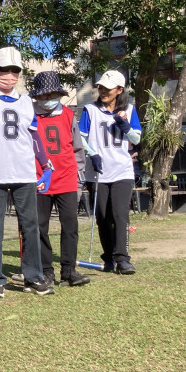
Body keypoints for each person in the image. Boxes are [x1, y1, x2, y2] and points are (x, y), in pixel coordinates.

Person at [0, 47, 55, 297]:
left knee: (30, 226)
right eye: (4, 70)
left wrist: (45, 164)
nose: (9, 75)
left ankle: (33, 276)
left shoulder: (26, 101)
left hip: (24, 173)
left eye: (15, 71)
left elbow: (34, 136)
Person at [30, 71, 90, 287]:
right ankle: (47, 270)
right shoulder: (29, 115)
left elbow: (77, 148)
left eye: (53, 94)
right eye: (44, 96)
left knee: (70, 225)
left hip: (66, 178)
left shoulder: (67, 115)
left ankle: (69, 270)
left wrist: (78, 176)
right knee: (40, 227)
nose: (49, 99)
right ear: (37, 97)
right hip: (40, 180)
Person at [79, 70, 142, 273]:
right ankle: (108, 257)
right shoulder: (90, 110)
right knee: (103, 216)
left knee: (120, 214)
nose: (103, 91)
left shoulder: (130, 110)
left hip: (122, 170)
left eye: (108, 88)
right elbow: (80, 138)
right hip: (96, 171)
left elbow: (136, 140)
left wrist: (126, 127)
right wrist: (92, 154)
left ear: (119, 90)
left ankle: (122, 258)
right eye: (101, 87)